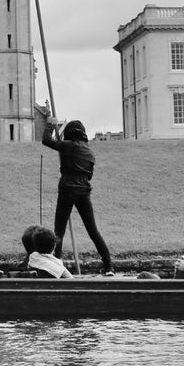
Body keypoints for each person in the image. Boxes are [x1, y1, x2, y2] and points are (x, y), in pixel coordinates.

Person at [42, 117, 116, 275]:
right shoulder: (90, 151)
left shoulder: (68, 146)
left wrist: (49, 124)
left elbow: (46, 140)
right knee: (93, 230)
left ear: (70, 133)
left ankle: (57, 266)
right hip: (84, 192)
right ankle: (108, 265)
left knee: (59, 232)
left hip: (67, 191)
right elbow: (89, 176)